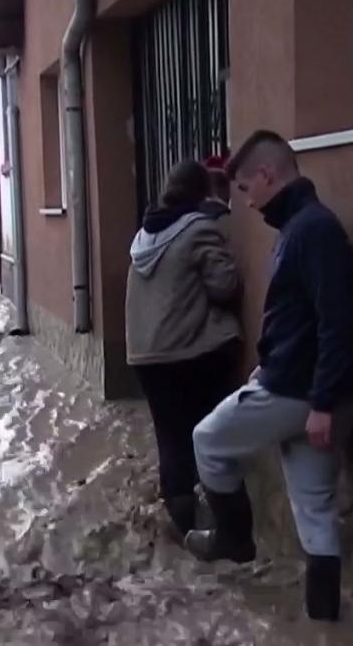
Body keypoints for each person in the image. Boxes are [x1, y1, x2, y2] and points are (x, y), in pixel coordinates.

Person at [185, 130, 353, 623]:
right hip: (307, 390)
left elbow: (338, 321)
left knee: (206, 440)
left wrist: (323, 402)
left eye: (245, 188)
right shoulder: (301, 228)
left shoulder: (313, 230)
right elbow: (302, 319)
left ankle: (235, 539)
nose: (245, 200)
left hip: (300, 392)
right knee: (315, 511)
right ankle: (323, 622)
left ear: (268, 175)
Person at [126, 158, 242, 540]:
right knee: (208, 432)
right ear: (202, 193)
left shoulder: (142, 236)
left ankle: (184, 529)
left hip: (145, 357)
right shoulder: (198, 230)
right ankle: (227, 527)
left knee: (170, 438)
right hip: (187, 354)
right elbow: (226, 285)